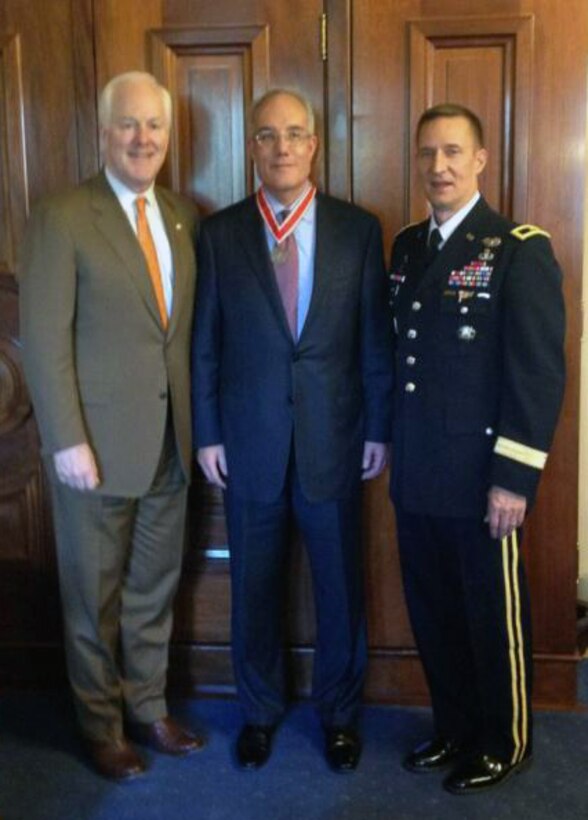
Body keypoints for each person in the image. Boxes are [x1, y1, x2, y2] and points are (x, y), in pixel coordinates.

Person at [192, 88, 393, 772]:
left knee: (339, 588)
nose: (282, 148)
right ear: (251, 147)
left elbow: (375, 340)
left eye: (295, 135)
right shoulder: (218, 234)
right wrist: (208, 434)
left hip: (335, 441)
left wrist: (379, 428)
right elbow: (205, 345)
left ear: (314, 146)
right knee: (254, 589)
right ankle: (258, 712)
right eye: (268, 136)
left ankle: (339, 716)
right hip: (247, 446)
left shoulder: (358, 229)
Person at [18, 71, 203, 780]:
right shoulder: (63, 215)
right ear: (103, 132)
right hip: (91, 451)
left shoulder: (181, 216)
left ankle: (148, 707)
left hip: (170, 445)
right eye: (128, 124)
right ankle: (101, 726)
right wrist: (66, 439)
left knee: (154, 587)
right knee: (91, 597)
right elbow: (43, 336)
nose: (143, 138)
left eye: (154, 126)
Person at [388, 103, 565, 794]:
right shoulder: (408, 246)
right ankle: (454, 727)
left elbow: (537, 372)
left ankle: (505, 739)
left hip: (481, 478)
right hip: (418, 471)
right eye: (428, 153)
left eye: (454, 152)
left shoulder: (517, 247)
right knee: (433, 611)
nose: (440, 166)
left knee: (492, 614)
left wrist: (513, 480)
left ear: (481, 160)